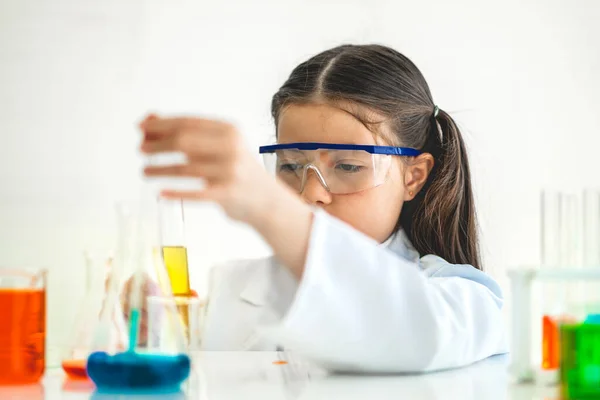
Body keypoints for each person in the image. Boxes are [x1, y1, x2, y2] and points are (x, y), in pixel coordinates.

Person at [138, 44, 508, 372]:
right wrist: (155, 331)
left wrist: (268, 205)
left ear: (413, 176)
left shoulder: (466, 301)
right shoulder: (230, 292)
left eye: (348, 167)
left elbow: (411, 330)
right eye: (290, 165)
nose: (310, 194)